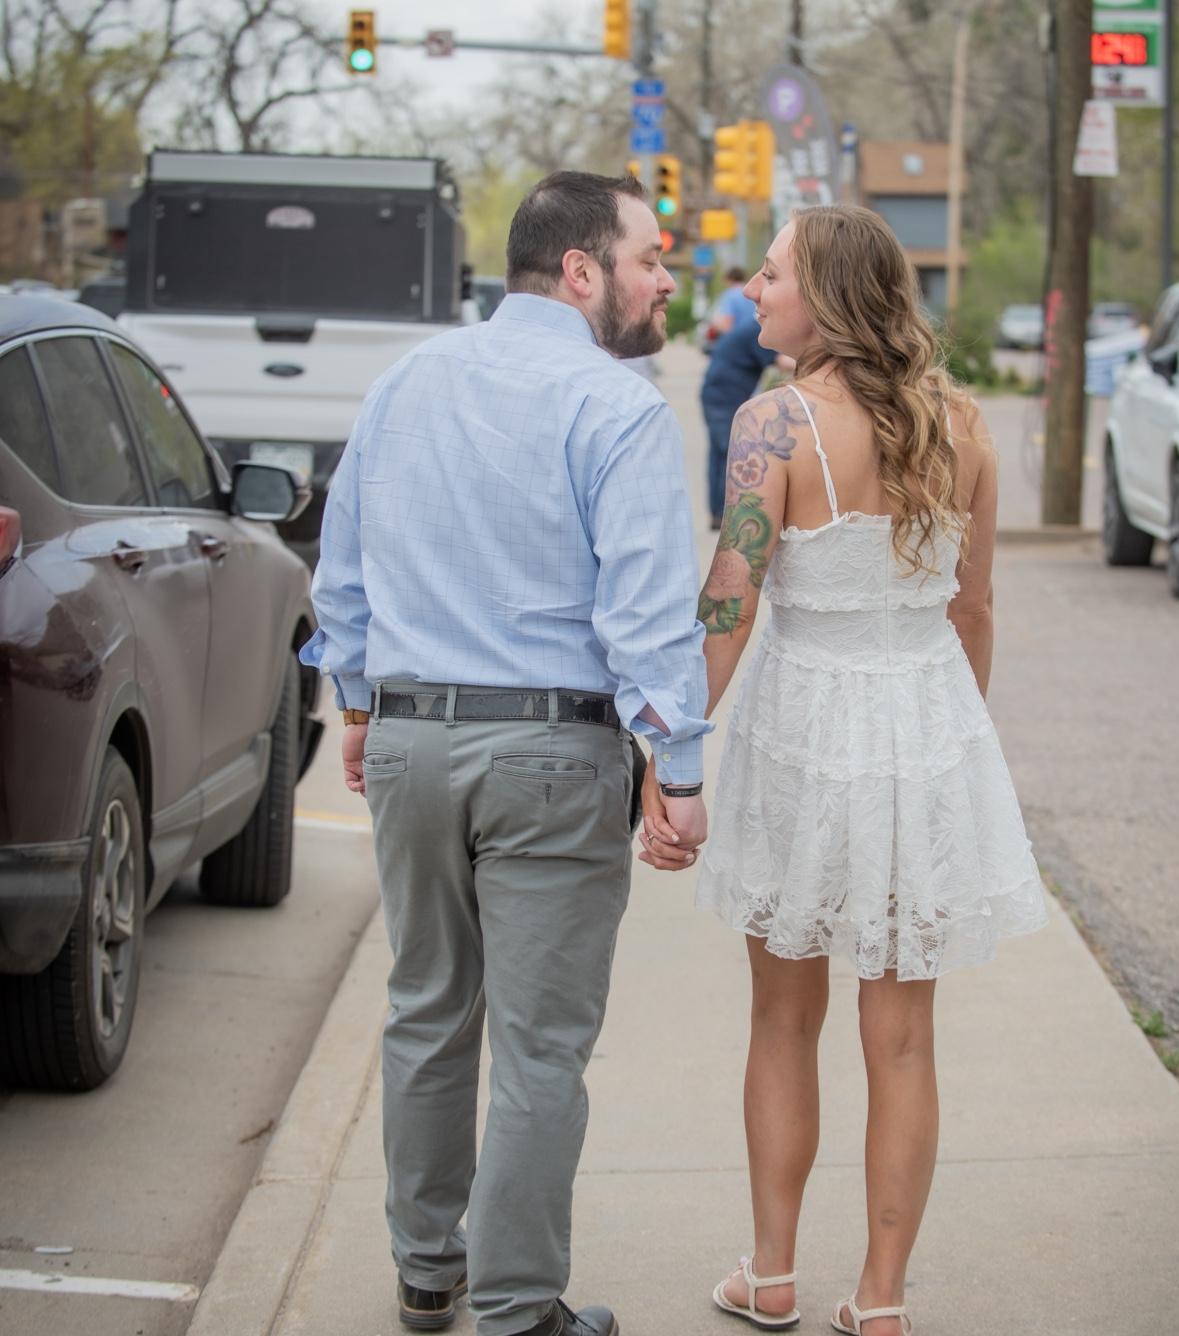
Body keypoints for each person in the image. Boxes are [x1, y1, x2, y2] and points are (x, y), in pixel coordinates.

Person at [301, 171, 710, 1336]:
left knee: (426, 1008)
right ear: (581, 271)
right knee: (539, 1047)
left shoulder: (406, 383)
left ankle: (428, 1270)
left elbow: (342, 568)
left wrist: (361, 707)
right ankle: (520, 1309)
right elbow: (646, 615)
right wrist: (677, 768)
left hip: (412, 742)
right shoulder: (617, 407)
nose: (666, 281)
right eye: (649, 258)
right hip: (550, 754)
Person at [639, 205, 1049, 1336]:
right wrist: (952, 749)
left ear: (824, 296)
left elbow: (728, 607)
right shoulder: (963, 426)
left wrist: (672, 752)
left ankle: (770, 1274)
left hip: (804, 733)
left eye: (771, 274)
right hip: (925, 726)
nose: (753, 291)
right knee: (903, 1035)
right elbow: (973, 611)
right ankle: (880, 1300)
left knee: (783, 1017)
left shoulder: (773, 425)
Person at [701, 314, 781, 530]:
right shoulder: (757, 332)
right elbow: (782, 362)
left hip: (715, 393)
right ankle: (727, 516)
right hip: (726, 397)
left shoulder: (746, 328)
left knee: (719, 456)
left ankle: (718, 514)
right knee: (731, 456)